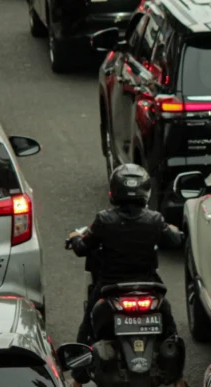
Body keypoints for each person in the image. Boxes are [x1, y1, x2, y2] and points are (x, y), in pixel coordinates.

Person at [67, 165, 185, 387]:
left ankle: (77, 379)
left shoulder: (103, 220)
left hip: (110, 286)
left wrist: (74, 238)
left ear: (114, 191)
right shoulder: (155, 219)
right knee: (170, 328)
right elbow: (175, 240)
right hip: (150, 287)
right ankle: (178, 378)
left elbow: (83, 247)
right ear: (146, 191)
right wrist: (172, 229)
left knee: (87, 328)